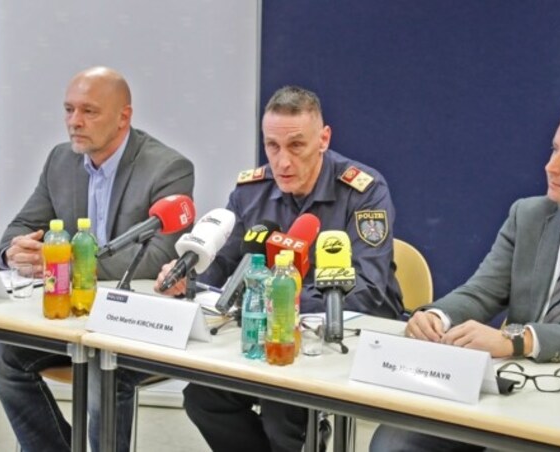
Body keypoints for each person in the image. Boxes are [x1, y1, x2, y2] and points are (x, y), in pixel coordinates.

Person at [369, 97, 560, 451]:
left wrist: (517, 340)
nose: (550, 167)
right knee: (393, 443)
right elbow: (482, 291)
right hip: (517, 390)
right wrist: (436, 315)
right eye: (554, 150)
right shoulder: (528, 216)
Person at [157, 85, 403, 451]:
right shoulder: (250, 190)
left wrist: (279, 302)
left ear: (324, 139)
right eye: (272, 146)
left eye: (296, 146)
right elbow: (222, 266)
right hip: (267, 340)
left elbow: (367, 289)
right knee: (203, 399)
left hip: (342, 336)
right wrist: (186, 278)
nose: (282, 162)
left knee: (281, 408)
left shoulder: (364, 190)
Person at [0, 66, 195, 452]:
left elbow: (155, 257)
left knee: (103, 371)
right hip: (71, 317)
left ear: (124, 117)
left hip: (131, 321)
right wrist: (12, 252)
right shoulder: (61, 161)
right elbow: (20, 228)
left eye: (89, 112)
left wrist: (62, 263)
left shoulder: (167, 168)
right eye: (68, 110)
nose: (74, 123)